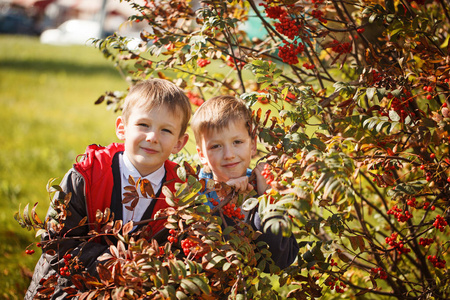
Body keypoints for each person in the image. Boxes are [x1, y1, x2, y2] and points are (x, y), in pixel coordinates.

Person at [25, 79, 192, 299]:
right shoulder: (87, 176)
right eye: (143, 125)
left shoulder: (182, 192)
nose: (152, 137)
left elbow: (183, 253)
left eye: (166, 130)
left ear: (180, 143)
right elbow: (57, 244)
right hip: (68, 287)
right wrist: (122, 267)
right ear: (122, 128)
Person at [190, 95, 299, 270]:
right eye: (216, 146)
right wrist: (227, 204)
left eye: (237, 142)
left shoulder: (264, 187)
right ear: (202, 155)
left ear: (253, 144)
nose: (229, 154)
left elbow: (281, 260)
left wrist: (265, 199)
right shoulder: (192, 193)